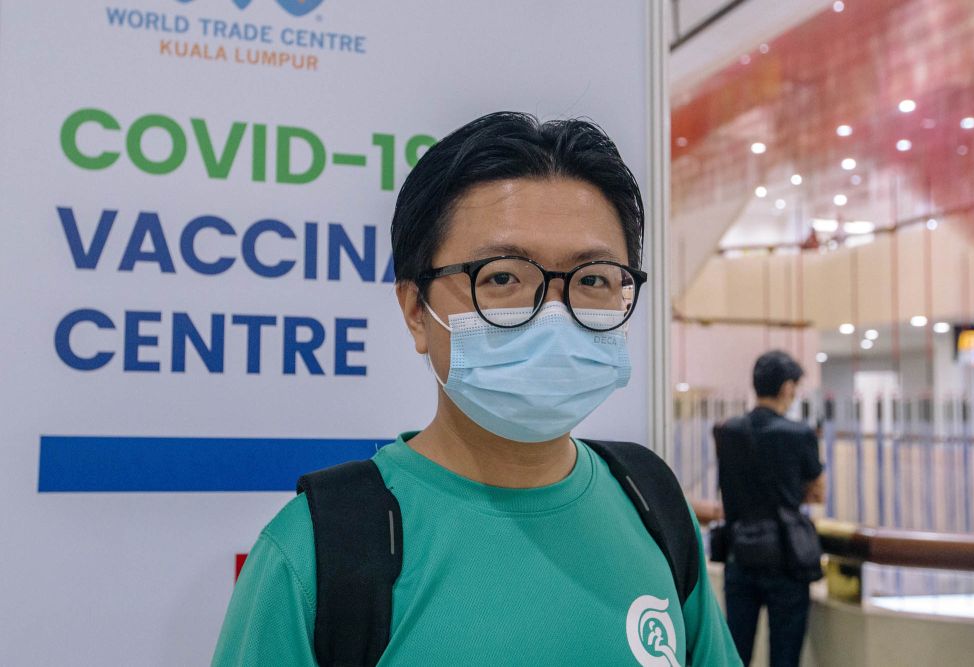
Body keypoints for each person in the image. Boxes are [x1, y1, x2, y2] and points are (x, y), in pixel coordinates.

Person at [212, 112, 740, 665]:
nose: (555, 316)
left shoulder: (651, 504)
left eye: (593, 280)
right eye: (503, 277)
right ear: (417, 310)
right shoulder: (317, 554)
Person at [714, 350, 826, 667]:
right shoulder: (799, 434)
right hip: (786, 560)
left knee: (734, 656)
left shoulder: (727, 431)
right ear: (787, 387)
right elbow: (817, 492)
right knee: (785, 657)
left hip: (739, 554)